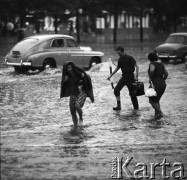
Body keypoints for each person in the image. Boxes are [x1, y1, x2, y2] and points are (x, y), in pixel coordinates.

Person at [60, 61, 94, 127]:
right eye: (68, 68)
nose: (69, 69)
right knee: (72, 111)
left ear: (73, 67)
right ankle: (75, 126)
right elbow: (63, 87)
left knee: (78, 106)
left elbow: (87, 79)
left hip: (82, 92)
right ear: (66, 69)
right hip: (73, 93)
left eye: (70, 67)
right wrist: (65, 81)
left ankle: (81, 118)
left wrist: (84, 77)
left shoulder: (79, 73)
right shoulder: (66, 77)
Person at [107, 47, 139, 111]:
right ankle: (119, 106)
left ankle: (136, 108)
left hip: (130, 77)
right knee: (116, 90)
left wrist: (136, 76)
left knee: (132, 93)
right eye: (117, 53)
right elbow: (117, 68)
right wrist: (111, 75)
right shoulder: (120, 59)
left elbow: (137, 66)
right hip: (124, 77)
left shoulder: (130, 58)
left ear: (123, 51)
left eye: (120, 53)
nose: (119, 54)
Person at [147, 52, 168, 119]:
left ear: (149, 58)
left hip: (157, 84)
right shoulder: (161, 64)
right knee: (157, 100)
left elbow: (152, 71)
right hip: (163, 84)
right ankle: (156, 115)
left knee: (151, 101)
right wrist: (162, 80)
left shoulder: (152, 64)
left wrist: (150, 78)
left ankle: (160, 113)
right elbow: (167, 74)